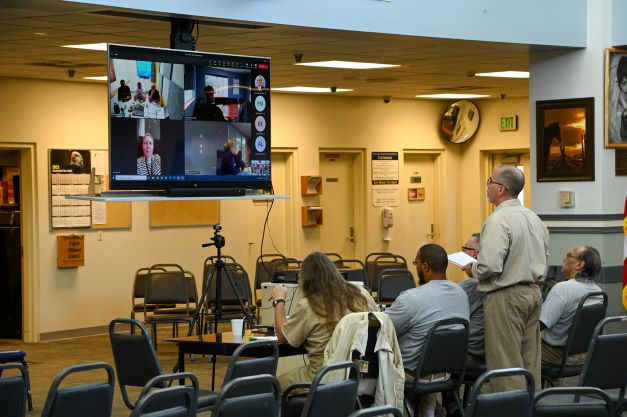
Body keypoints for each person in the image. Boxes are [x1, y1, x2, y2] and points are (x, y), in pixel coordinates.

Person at [462, 165, 549, 392]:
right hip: (533, 292)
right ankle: (530, 407)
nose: (487, 186)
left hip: (505, 297)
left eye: (489, 181)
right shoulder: (534, 218)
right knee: (529, 363)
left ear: (500, 189)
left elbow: (490, 265)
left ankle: (510, 410)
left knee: (506, 365)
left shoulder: (498, 220)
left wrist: (473, 270)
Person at [271, 252, 378, 390]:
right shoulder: (363, 294)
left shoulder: (309, 304)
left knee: (272, 385)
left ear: (306, 279)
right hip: (360, 375)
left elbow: (282, 336)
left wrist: (279, 300)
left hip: (323, 378)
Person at [386, 244, 469, 417]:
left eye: (416, 262)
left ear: (424, 266)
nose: (415, 266)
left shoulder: (411, 298)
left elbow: (386, 329)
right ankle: (429, 409)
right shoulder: (461, 293)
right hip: (448, 373)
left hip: (414, 373)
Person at [540, 245, 603, 368]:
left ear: (579, 265)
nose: (564, 258)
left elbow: (540, 325)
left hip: (553, 354)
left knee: (514, 348)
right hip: (584, 355)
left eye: (569, 255)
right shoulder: (598, 292)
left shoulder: (562, 288)